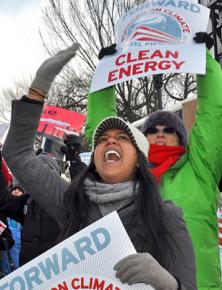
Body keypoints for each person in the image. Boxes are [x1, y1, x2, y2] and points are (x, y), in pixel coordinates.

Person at [2, 44, 197, 289]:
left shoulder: (165, 215)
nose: (110, 141)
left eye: (122, 138)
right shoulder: (72, 203)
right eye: (102, 140)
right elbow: (17, 153)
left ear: (140, 160)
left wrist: (167, 283)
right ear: (95, 160)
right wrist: (38, 87)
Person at [85, 33, 222, 290]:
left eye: (168, 130)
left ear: (180, 138)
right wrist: (105, 75)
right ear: (140, 142)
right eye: (152, 130)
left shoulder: (199, 170)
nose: (159, 133)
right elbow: (102, 135)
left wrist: (204, 60)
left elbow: (214, 114)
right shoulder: (126, 178)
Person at [0, 152, 62, 266]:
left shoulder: (66, 203)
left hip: (57, 279)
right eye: (36, 172)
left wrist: (75, 161)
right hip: (28, 278)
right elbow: (2, 200)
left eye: (45, 171)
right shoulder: (26, 202)